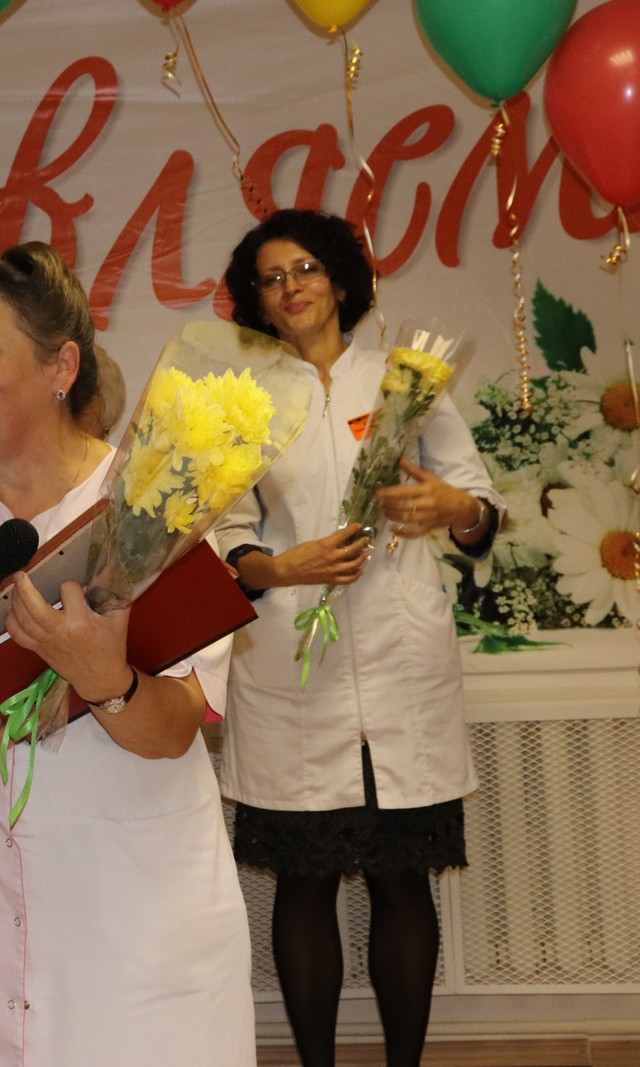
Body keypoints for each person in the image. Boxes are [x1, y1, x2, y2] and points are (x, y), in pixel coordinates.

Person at [0, 242, 254, 1066]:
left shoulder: (155, 506)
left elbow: (176, 727)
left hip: (131, 938)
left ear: (61, 366)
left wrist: (104, 678)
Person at [211, 209, 504, 1067]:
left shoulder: (407, 381)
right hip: (293, 669)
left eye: (306, 268)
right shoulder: (242, 398)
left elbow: (480, 505)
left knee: (400, 878)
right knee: (303, 882)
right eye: (272, 278)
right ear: (257, 301)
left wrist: (450, 507)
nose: (291, 287)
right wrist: (281, 565)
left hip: (399, 661)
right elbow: (225, 531)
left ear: (341, 280)